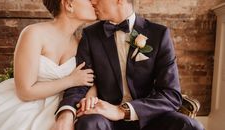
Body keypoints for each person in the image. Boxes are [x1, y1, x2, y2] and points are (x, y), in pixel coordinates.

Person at [54, 0, 205, 130]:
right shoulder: (90, 35)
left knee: (190, 126)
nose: (92, 1)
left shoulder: (159, 34)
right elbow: (81, 82)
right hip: (106, 119)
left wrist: (122, 111)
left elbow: (171, 94)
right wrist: (66, 113)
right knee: (89, 124)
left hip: (149, 117)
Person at [0, 0, 97, 129]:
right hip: (23, 105)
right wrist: (70, 81)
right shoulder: (34, 33)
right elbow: (24, 91)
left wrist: (90, 96)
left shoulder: (82, 43)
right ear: (69, 5)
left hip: (62, 107)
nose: (94, 2)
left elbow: (92, 80)